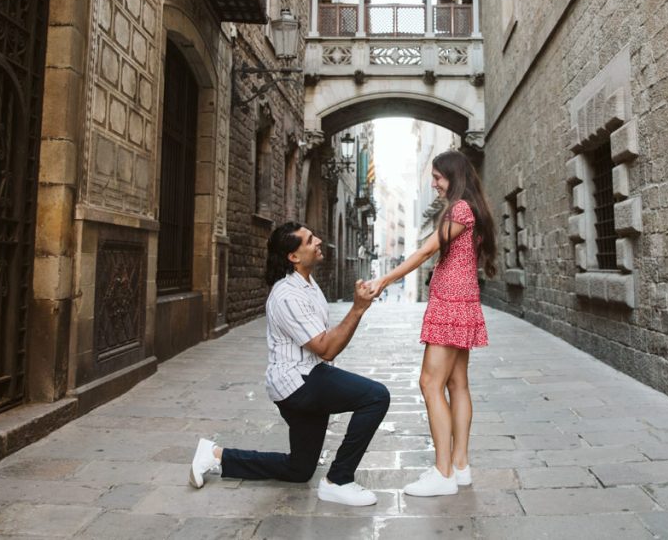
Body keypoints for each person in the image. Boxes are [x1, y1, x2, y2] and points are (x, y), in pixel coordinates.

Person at [189, 222, 389, 506]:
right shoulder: (286, 295)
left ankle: (215, 455)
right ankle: (338, 480)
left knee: (299, 470)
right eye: (309, 240)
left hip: (309, 377)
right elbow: (326, 349)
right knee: (376, 396)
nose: (318, 240)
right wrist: (357, 308)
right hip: (299, 383)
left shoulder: (306, 283)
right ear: (293, 257)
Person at [367, 150, 497, 496]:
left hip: (450, 304)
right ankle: (460, 466)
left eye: (438, 177)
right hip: (463, 302)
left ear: (453, 176)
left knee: (429, 383)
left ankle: (443, 473)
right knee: (458, 385)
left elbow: (425, 252)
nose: (434, 184)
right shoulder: (473, 208)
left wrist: (383, 280)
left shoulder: (459, 209)